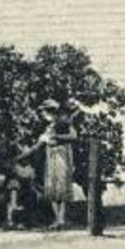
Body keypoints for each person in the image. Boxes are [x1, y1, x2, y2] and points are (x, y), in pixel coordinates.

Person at [31, 97, 83, 229]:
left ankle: (62, 218)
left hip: (61, 155)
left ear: (51, 112)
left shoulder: (64, 123)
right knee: (52, 187)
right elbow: (39, 144)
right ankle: (57, 219)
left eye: (44, 113)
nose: (43, 116)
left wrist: (56, 137)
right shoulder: (48, 127)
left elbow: (73, 136)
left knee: (61, 185)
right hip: (51, 155)